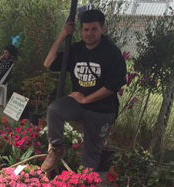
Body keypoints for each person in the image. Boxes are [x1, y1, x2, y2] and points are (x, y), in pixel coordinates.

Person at [42, 9, 126, 173]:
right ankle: (57, 149)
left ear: (103, 29)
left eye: (94, 29)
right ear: (81, 30)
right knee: (55, 109)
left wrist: (86, 99)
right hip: (79, 105)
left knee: (90, 156)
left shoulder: (111, 52)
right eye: (86, 29)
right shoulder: (76, 49)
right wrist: (63, 35)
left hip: (102, 110)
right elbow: (48, 63)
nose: (89, 33)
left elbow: (113, 85)